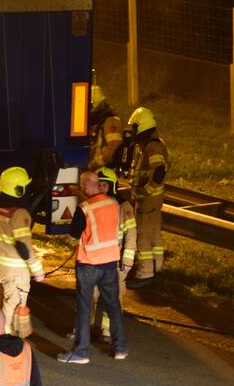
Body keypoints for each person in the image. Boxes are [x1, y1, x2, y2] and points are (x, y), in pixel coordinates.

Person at [58, 171, 128, 363]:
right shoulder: (113, 203)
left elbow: (73, 235)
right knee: (113, 306)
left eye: (82, 187)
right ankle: (120, 348)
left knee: (84, 307)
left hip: (89, 264)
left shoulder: (84, 208)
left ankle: (80, 352)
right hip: (110, 263)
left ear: (88, 186)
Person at [0, 167, 45, 338]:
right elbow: (25, 246)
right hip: (16, 272)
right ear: (19, 190)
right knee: (12, 310)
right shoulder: (19, 214)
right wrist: (37, 271)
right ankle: (6, 342)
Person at [125, 107, 170, 289]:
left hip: (148, 199)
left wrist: (145, 191)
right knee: (153, 235)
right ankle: (157, 268)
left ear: (142, 127)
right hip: (152, 199)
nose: (133, 132)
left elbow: (158, 172)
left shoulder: (153, 147)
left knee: (142, 236)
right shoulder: (150, 145)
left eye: (135, 128)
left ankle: (145, 274)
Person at [91, 168, 135, 340]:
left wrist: (128, 259)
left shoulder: (123, 206)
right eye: (98, 184)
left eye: (104, 184)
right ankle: (84, 328)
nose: (101, 188)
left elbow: (131, 234)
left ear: (112, 186)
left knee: (113, 297)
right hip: (95, 259)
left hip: (115, 261)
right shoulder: (93, 203)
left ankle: (109, 331)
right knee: (89, 296)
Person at [88, 84, 124, 171]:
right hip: (96, 172)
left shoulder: (110, 121)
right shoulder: (98, 121)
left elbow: (114, 148)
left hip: (105, 172)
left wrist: (93, 164)